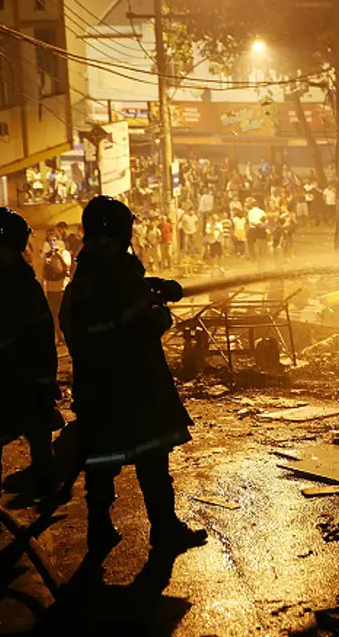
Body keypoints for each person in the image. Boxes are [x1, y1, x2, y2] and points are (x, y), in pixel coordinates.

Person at [59, 196, 207, 556]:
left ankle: (100, 529)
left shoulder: (90, 269)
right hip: (135, 386)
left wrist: (154, 286)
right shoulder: (115, 272)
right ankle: (165, 528)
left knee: (101, 461)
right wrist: (161, 316)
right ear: (123, 232)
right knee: (153, 459)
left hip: (97, 387)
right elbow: (135, 322)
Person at [0, 208, 63, 539]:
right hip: (18, 380)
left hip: (6, 380)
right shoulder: (20, 281)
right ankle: (31, 502)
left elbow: (42, 333)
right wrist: (46, 379)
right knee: (23, 439)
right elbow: (42, 334)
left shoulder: (16, 278)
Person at [42, 232, 71, 343]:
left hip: (63, 287)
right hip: (51, 288)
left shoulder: (64, 253)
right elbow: (43, 270)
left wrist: (58, 254)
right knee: (54, 313)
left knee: (64, 312)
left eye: (54, 240)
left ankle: (66, 334)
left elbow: (66, 267)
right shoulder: (47, 255)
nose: (52, 243)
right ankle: (59, 336)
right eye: (50, 241)